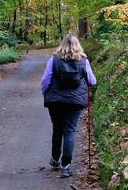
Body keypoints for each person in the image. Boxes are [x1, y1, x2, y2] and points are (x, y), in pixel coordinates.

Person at [41, 33, 96, 178]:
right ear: (77, 45)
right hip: (75, 102)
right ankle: (66, 166)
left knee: (57, 129)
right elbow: (92, 81)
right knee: (70, 131)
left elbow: (45, 80)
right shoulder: (84, 61)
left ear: (62, 44)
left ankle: (54, 160)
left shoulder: (54, 60)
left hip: (56, 101)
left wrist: (45, 92)